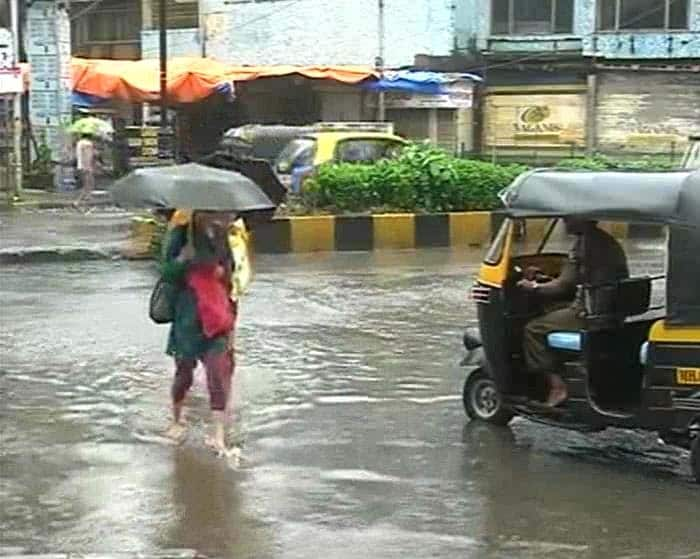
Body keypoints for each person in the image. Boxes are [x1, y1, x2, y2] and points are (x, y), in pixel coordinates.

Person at [518, 218, 629, 407]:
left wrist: (533, 286)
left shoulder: (584, 244)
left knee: (533, 328)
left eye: (569, 218)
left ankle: (558, 386)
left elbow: (562, 286)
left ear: (581, 218)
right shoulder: (604, 240)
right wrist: (544, 279)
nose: (565, 221)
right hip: (608, 309)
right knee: (551, 311)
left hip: (589, 312)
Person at [161, 210, 238, 455]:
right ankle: (176, 419)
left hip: (216, 315)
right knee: (184, 370)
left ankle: (217, 433)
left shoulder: (223, 235)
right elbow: (166, 272)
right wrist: (184, 259)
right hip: (188, 318)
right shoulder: (181, 234)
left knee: (217, 370)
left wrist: (221, 273)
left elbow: (231, 272)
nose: (222, 216)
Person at [75, 133, 96, 205]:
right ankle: (78, 201)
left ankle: (87, 197)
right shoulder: (88, 144)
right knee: (88, 183)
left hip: (80, 165)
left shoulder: (79, 143)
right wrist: (88, 166)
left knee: (87, 183)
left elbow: (79, 155)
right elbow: (88, 156)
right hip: (86, 166)